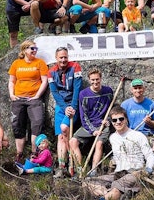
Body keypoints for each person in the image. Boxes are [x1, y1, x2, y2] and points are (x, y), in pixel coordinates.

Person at [83, 106, 154, 200]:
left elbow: (150, 155)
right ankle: (110, 195)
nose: (118, 122)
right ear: (112, 122)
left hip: (135, 173)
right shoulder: (112, 138)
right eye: (114, 120)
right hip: (118, 173)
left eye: (121, 119)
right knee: (87, 181)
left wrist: (148, 169)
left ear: (126, 119)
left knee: (117, 185)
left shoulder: (138, 135)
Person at [8, 40, 48, 163]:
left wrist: (37, 96)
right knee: (17, 124)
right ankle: (19, 153)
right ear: (24, 50)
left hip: (34, 99)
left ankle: (34, 152)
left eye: (36, 48)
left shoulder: (40, 63)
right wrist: (12, 94)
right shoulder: (16, 63)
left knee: (37, 123)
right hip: (19, 98)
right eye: (32, 48)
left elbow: (44, 81)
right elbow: (11, 81)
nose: (34, 51)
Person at [69, 68, 113, 177]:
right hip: (89, 125)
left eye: (97, 79)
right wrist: (92, 130)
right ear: (89, 80)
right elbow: (83, 115)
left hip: (103, 125)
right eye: (92, 80)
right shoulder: (83, 94)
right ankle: (80, 170)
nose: (95, 82)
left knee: (99, 144)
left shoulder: (108, 91)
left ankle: (93, 171)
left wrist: (108, 120)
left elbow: (112, 109)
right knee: (73, 141)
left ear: (101, 78)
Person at [48, 47, 82, 178]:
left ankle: (73, 163)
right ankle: (62, 166)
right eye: (61, 57)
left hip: (73, 104)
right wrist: (64, 107)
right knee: (60, 137)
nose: (63, 60)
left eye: (65, 57)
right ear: (56, 58)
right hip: (61, 106)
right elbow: (55, 93)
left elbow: (77, 89)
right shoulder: (51, 72)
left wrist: (72, 106)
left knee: (65, 128)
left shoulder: (75, 67)